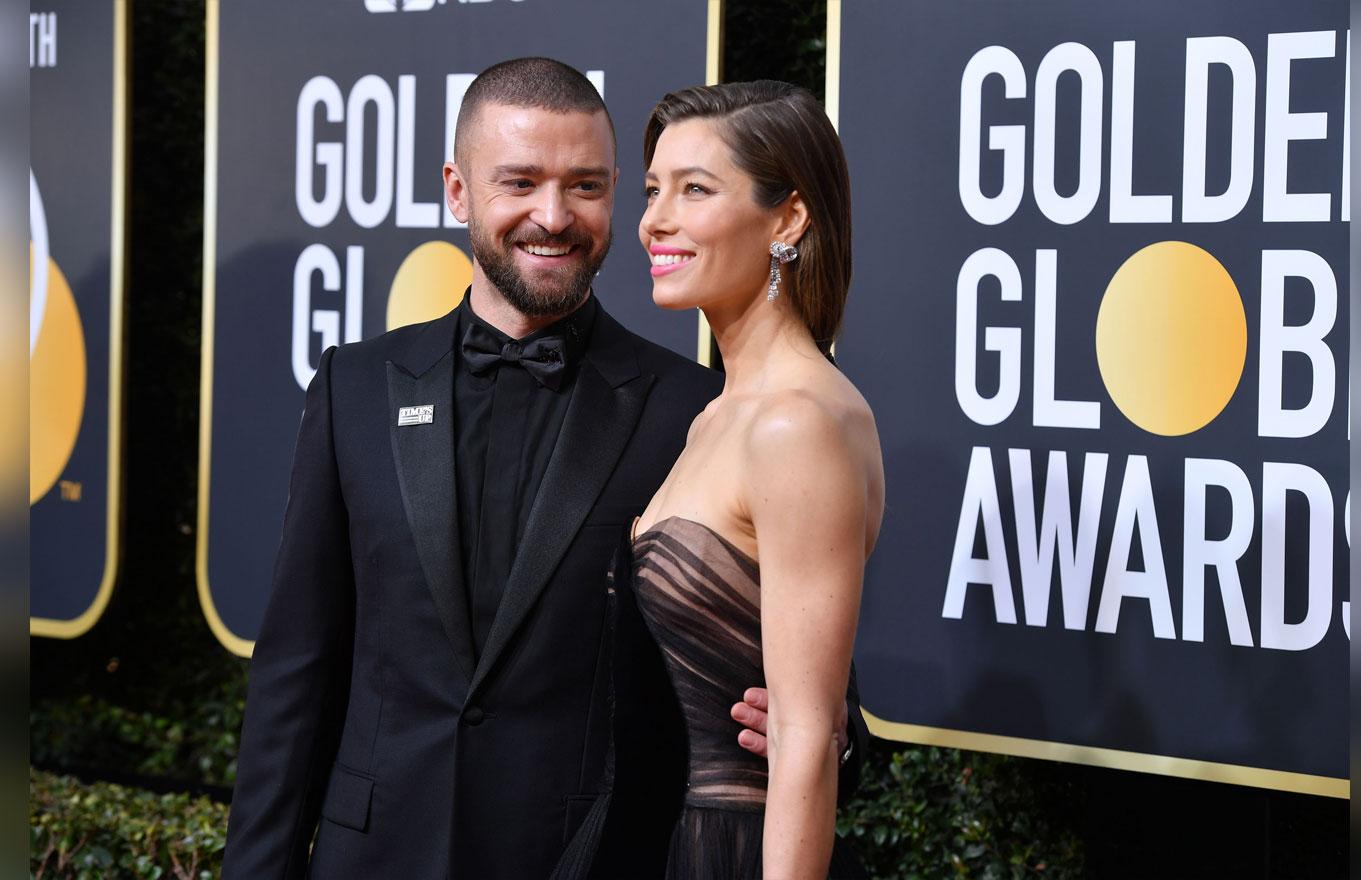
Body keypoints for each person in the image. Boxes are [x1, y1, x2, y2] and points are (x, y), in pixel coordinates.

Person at [222, 58, 865, 880]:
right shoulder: (355, 388)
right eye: (519, 182)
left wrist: (815, 731)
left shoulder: (694, 411)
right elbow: (294, 677)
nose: (553, 217)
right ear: (457, 190)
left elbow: (804, 690)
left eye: (587, 186)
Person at [611, 81, 885, 878]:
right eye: (654, 189)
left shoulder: (795, 423)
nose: (655, 219)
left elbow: (803, 740)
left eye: (695, 190)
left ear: (788, 218)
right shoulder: (719, 413)